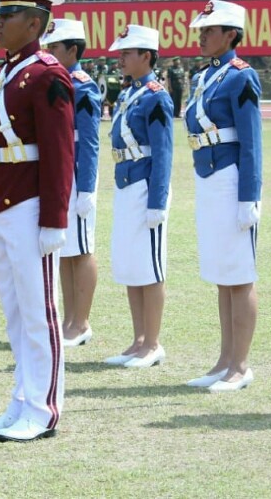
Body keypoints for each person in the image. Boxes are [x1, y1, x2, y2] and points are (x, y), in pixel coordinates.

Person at [0, 0, 73, 442]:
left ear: (33, 23)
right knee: (15, 310)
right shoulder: (7, 70)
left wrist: (55, 218)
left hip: (32, 201)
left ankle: (44, 406)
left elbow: (58, 152)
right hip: (6, 197)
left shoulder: (48, 73)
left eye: (6, 16)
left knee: (39, 311)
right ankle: (21, 399)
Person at [184, 0, 262, 392]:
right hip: (208, 175)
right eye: (201, 30)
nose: (202, 36)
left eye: (209, 30)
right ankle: (224, 359)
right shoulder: (205, 76)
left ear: (231, 34)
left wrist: (250, 195)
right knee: (221, 274)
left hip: (232, 178)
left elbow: (251, 141)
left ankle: (240, 365)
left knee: (240, 274)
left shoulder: (241, 77)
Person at [102, 24, 174, 369]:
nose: (121, 58)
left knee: (149, 266)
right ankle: (138, 339)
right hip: (125, 182)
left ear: (146, 56)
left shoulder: (156, 95)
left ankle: (153, 342)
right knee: (131, 264)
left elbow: (163, 153)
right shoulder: (130, 92)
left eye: (127, 53)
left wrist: (157, 201)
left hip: (146, 185)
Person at [40, 18, 101, 349]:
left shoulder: (84, 85)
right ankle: (68, 318)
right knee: (64, 250)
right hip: (59, 172)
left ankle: (82, 321)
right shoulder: (58, 81)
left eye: (55, 48)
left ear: (73, 50)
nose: (49, 53)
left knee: (82, 249)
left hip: (77, 174)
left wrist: (88, 188)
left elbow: (89, 141)